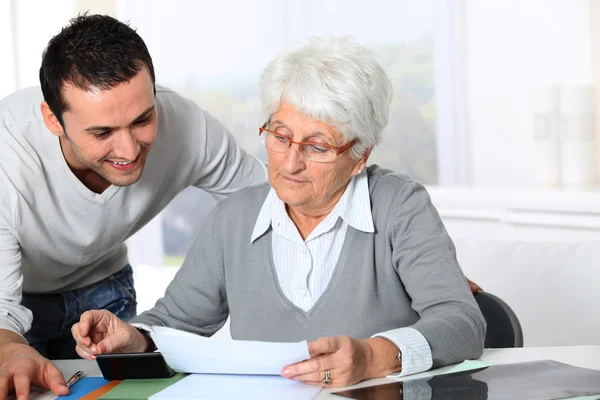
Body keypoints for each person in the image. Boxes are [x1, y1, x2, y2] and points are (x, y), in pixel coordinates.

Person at [73, 36, 486, 389]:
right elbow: (174, 325)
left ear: (361, 155)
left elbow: (462, 324)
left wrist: (373, 357)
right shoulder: (232, 219)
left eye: (318, 147)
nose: (290, 163)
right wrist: (133, 338)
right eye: (280, 136)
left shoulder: (400, 205)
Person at [0, 14, 266, 399]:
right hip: (18, 305)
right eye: (102, 133)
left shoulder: (189, 127)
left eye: (142, 119)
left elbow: (267, 206)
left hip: (108, 291)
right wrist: (9, 349)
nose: (129, 150)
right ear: (52, 120)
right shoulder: (7, 153)